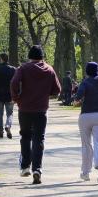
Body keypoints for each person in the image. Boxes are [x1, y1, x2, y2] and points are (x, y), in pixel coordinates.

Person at [11, 45, 62, 185]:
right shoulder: (49, 69)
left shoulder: (23, 68)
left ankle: (25, 166)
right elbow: (57, 89)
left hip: (25, 108)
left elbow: (14, 82)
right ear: (42, 57)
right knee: (39, 139)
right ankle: (37, 170)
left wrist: (16, 97)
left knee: (25, 136)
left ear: (30, 56)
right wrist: (46, 94)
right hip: (41, 109)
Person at [74, 62, 98, 183]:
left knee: (86, 145)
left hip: (85, 116)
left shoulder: (85, 82)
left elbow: (78, 96)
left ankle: (85, 173)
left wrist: (78, 100)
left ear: (87, 71)